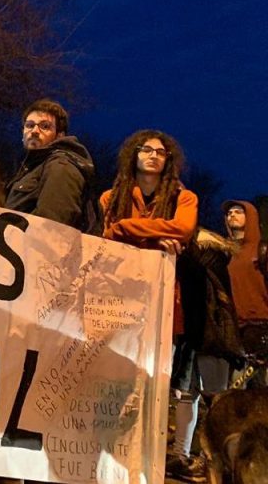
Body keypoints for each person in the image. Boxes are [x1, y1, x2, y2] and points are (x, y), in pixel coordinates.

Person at [97, 130, 200, 482]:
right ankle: (110, 454)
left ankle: (147, 460)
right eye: (147, 149)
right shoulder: (111, 196)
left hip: (163, 303)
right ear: (133, 154)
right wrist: (156, 235)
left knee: (156, 382)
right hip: (118, 299)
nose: (154, 155)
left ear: (169, 160)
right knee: (117, 377)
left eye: (161, 151)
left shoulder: (184, 198)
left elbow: (184, 229)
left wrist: (129, 227)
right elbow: (108, 233)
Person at [5, 99, 95, 230]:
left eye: (45, 126)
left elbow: (51, 227)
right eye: (29, 125)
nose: (35, 131)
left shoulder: (61, 166)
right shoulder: (31, 169)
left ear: (59, 136)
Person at [223, 200, 268, 385]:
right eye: (229, 213)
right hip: (238, 331)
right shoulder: (225, 253)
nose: (232, 214)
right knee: (238, 391)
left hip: (263, 326)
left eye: (238, 212)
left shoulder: (262, 249)